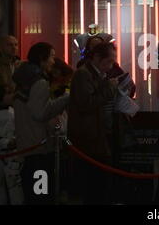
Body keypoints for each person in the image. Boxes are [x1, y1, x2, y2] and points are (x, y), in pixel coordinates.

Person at [12, 42, 69, 205]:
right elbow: (40, 113)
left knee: (32, 191)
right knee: (41, 192)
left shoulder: (24, 78)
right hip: (39, 144)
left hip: (27, 141)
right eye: (51, 56)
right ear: (42, 58)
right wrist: (63, 100)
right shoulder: (40, 82)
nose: (53, 61)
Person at [68, 42, 119, 205]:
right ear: (96, 58)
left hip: (98, 134)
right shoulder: (83, 75)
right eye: (108, 62)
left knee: (100, 183)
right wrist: (110, 89)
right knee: (94, 183)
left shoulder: (96, 74)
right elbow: (87, 104)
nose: (110, 67)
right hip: (89, 138)